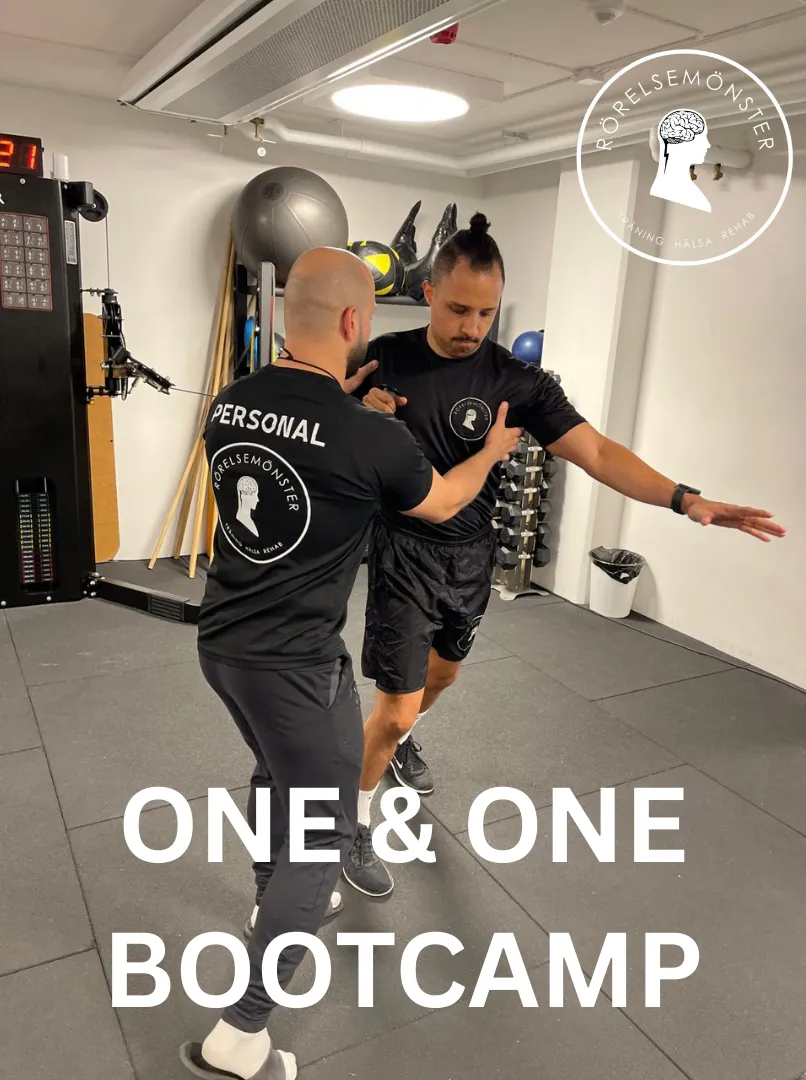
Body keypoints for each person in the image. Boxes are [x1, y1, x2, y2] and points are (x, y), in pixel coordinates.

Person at [342, 212, 786, 900]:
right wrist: (353, 404)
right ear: (428, 291)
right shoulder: (383, 355)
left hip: (473, 553)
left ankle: (401, 741)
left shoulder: (519, 383)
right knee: (393, 709)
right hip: (404, 548)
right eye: (459, 307)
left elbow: (600, 452)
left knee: (444, 678)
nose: (471, 325)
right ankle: (355, 821)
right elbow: (322, 415)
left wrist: (685, 498)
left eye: (485, 312)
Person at [179, 245, 522, 1080]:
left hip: (221, 644)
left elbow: (303, 446)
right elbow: (441, 498)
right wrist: (490, 452)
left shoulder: (229, 403)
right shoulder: (373, 435)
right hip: (296, 665)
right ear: (352, 321)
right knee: (323, 836)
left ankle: (275, 892)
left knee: (273, 773)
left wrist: (347, 402)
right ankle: (243, 1034)